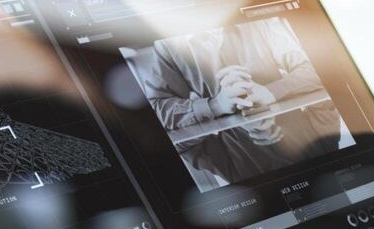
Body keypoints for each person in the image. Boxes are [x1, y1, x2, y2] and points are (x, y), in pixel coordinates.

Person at [142, 17, 346, 189]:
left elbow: (178, 144)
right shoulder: (327, 150)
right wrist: (270, 92)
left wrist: (215, 106)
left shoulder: (239, 179)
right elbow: (323, 75)